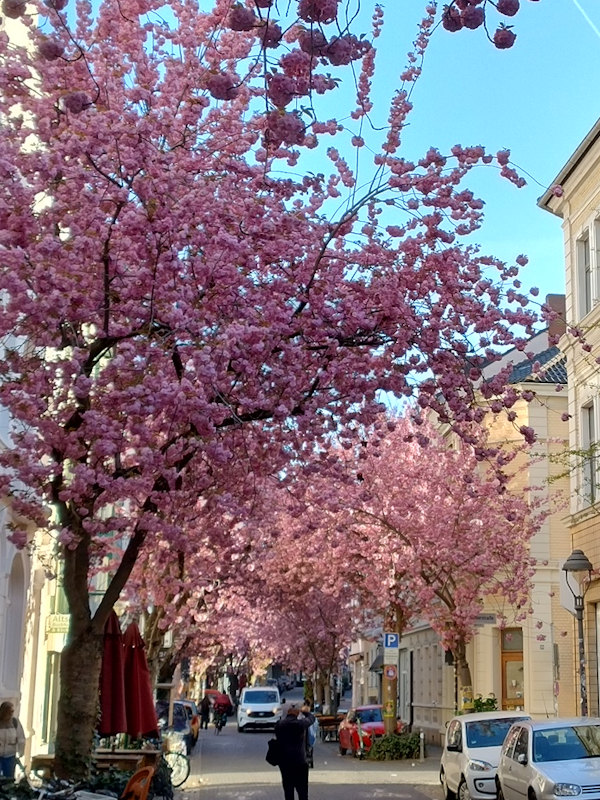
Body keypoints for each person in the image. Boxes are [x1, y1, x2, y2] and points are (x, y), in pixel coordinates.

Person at [274, 703, 315, 800]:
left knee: (288, 790)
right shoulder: (300, 724)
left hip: (284, 762)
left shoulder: (279, 725)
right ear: (297, 714)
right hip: (299, 761)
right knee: (302, 792)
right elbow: (311, 719)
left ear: (287, 714)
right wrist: (305, 712)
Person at [0, 701, 25, 779]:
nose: (10, 714)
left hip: (10, 755)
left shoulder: (15, 722)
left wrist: (20, 752)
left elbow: (21, 738)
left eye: (12, 712)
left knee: (9, 778)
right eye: (9, 712)